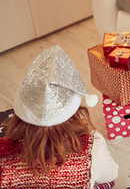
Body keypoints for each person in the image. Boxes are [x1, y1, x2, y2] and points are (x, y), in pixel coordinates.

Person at [0, 45, 119, 189]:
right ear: (74, 113)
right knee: (109, 183)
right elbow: (111, 174)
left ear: (20, 114)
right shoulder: (91, 147)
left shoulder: (3, 151)